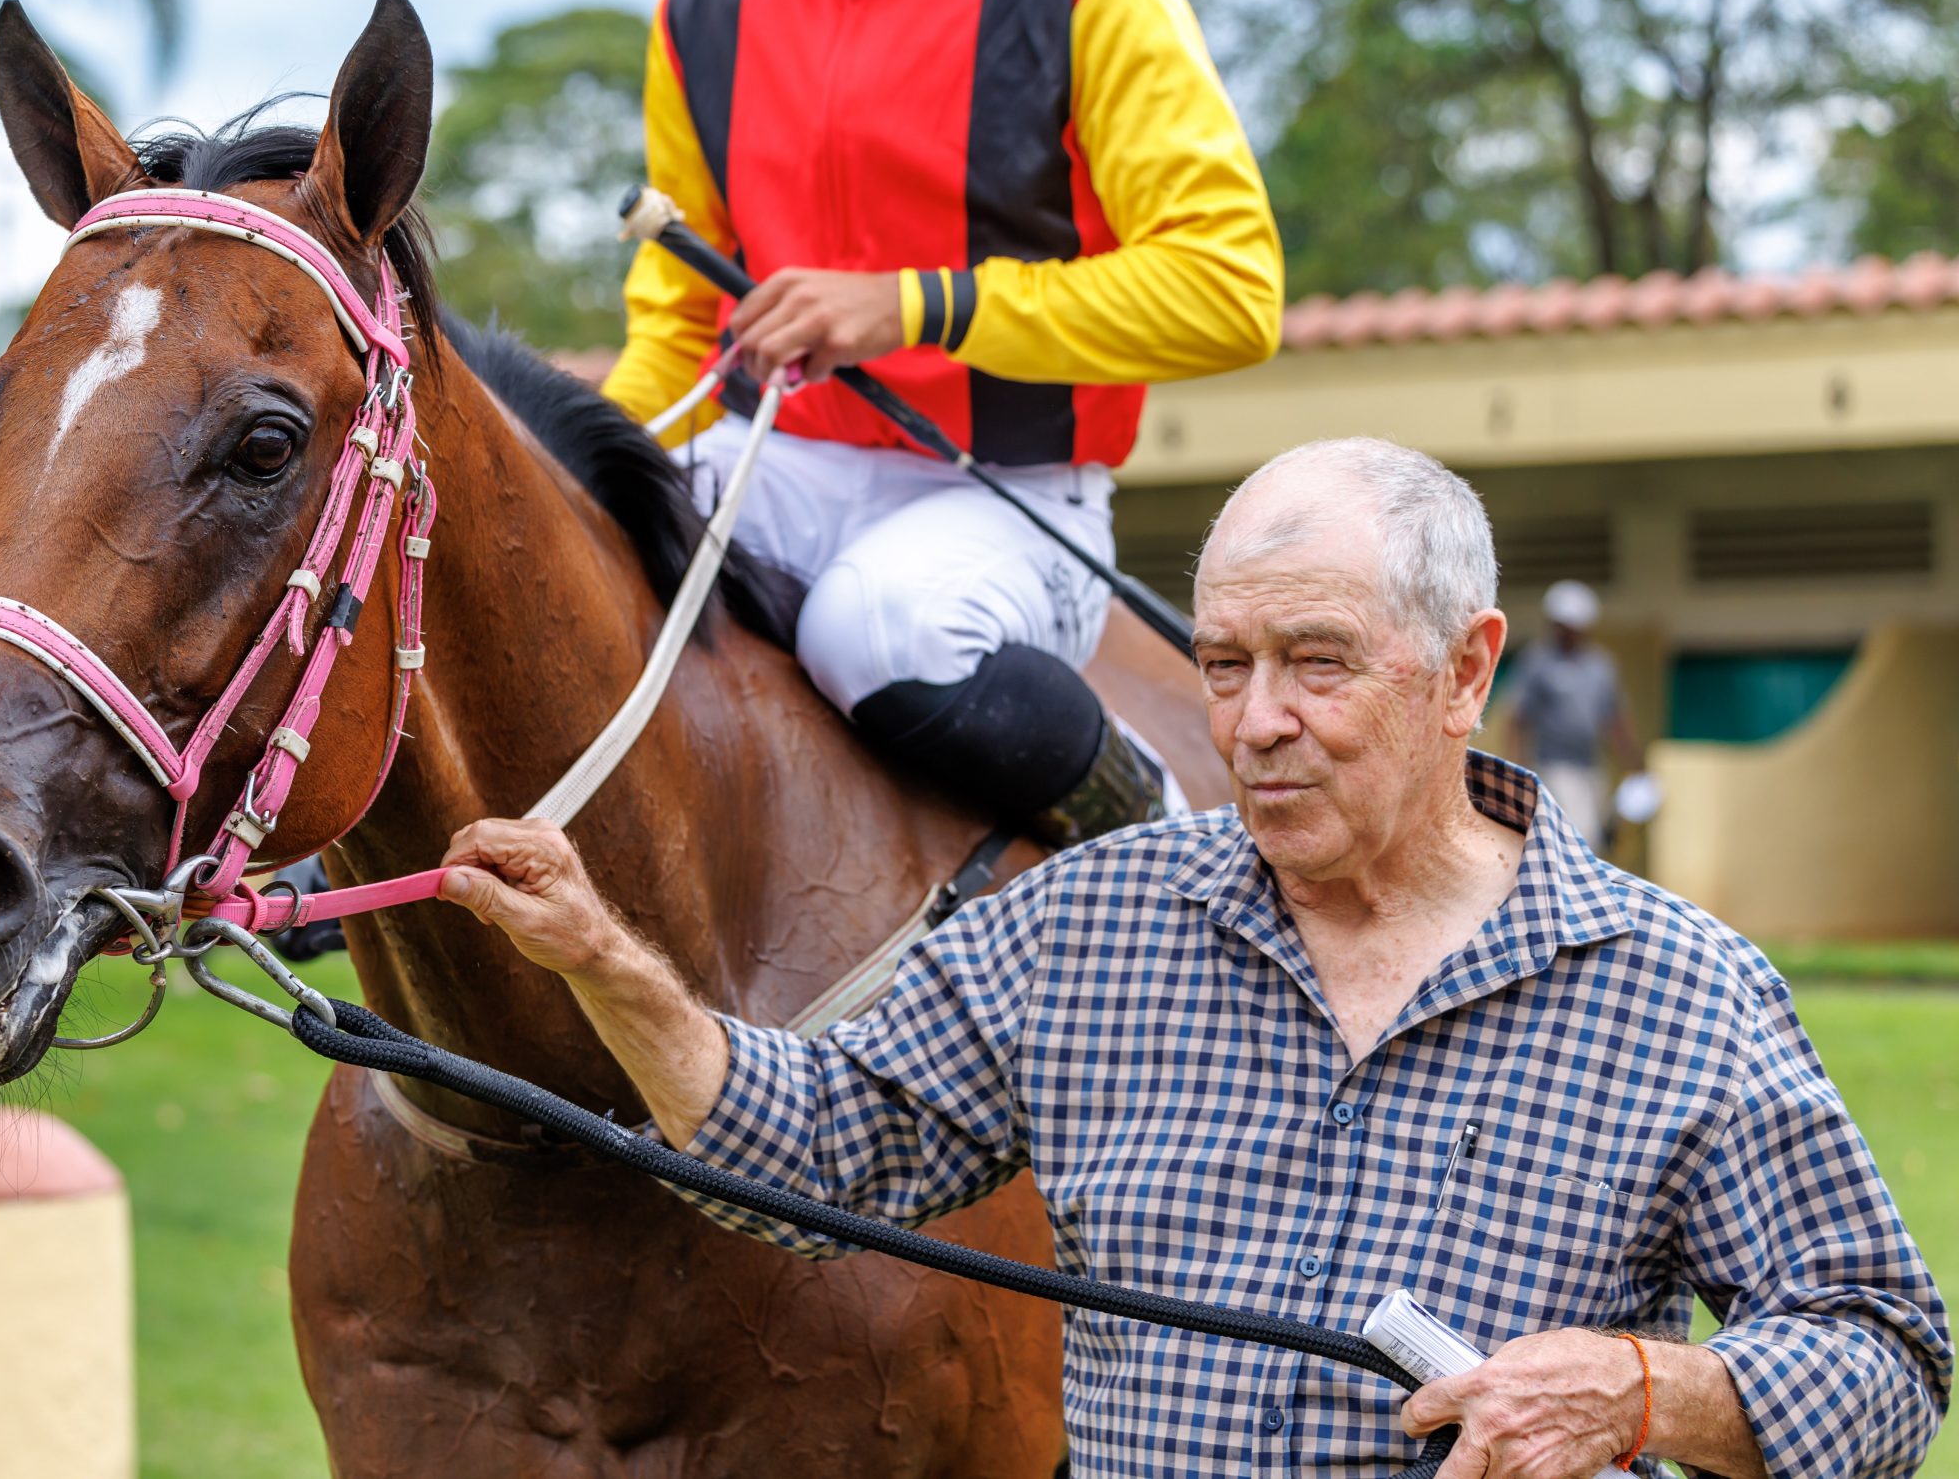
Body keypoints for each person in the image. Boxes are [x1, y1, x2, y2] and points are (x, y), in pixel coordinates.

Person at [435, 437, 1950, 1477]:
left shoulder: (1676, 988)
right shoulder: (1086, 922)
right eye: (1225, 664)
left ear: (1469, 671)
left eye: (1319, 660)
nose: (1254, 720)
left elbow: (1884, 1357)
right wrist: (608, 959)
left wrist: (1641, 1389)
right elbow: (827, 1147)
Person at [600, 0, 1284, 846]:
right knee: (542, 566)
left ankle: (1174, 838)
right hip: (778, 467)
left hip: (1011, 496)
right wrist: (601, 466)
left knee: (881, 628)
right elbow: (675, 332)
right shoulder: (698, 9)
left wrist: (912, 305)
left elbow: (1229, 292)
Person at [1502, 580, 1642, 852]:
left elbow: (1615, 718)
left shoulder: (1601, 666)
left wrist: (1635, 765)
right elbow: (1518, 718)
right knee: (1580, 838)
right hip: (1555, 767)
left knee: (1598, 841)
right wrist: (1519, 769)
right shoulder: (1538, 661)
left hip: (1592, 767)